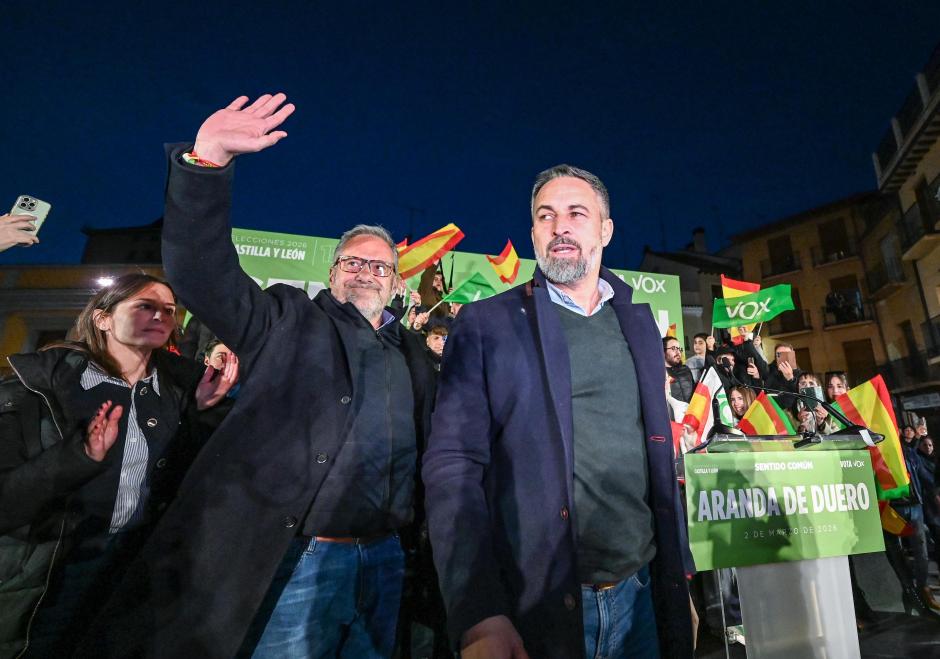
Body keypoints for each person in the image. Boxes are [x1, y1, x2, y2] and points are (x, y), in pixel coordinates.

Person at [77, 94, 437, 659]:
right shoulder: (285, 320)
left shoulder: (415, 353)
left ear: (396, 283)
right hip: (296, 563)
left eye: (380, 266)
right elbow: (202, 270)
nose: (366, 272)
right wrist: (207, 163)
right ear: (332, 272)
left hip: (390, 562)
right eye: (353, 261)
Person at [423, 164, 693, 658]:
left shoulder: (638, 322)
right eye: (545, 216)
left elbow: (656, 461)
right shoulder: (488, 324)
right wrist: (478, 610)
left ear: (606, 230)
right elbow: (453, 468)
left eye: (576, 213)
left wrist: (681, 579)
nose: (560, 226)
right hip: (538, 608)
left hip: (641, 598)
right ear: (533, 234)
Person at [0, 273, 236, 656]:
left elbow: (188, 483)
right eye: (145, 306)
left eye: (169, 310)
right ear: (102, 318)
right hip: (42, 575)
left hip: (126, 570)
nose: (161, 316)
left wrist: (202, 411)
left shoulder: (176, 393)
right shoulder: (32, 389)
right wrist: (80, 457)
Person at [665, 336, 695, 403]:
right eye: (673, 348)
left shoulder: (686, 369)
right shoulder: (660, 374)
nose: (678, 352)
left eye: (679, 349)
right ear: (663, 351)